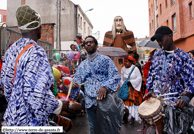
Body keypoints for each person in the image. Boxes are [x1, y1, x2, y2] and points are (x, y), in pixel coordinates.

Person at [0, 5, 69, 127]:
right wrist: (60, 105)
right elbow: (36, 96)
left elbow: (6, 85)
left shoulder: (11, 51)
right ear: (38, 27)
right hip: (30, 123)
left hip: (12, 119)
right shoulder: (36, 52)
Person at [144, 26, 194, 133]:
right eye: (158, 41)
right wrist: (150, 91)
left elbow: (192, 81)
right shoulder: (156, 55)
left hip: (174, 106)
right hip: (156, 106)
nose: (159, 43)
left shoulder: (184, 57)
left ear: (170, 36)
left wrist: (185, 99)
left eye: (161, 40)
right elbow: (151, 76)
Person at [71, 36, 121, 134]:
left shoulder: (106, 60)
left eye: (91, 42)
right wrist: (74, 86)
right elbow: (76, 83)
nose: (88, 44)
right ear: (84, 46)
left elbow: (116, 76)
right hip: (90, 103)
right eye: (86, 43)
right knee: (93, 129)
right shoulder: (82, 65)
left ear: (96, 45)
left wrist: (105, 86)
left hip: (105, 101)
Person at [120, 56, 143, 124]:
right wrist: (123, 84)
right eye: (124, 61)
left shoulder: (135, 69)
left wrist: (131, 82)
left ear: (130, 62)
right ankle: (125, 117)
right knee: (125, 104)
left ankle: (133, 118)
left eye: (126, 61)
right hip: (125, 89)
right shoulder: (122, 69)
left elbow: (139, 78)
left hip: (134, 89)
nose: (125, 63)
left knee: (133, 104)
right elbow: (121, 79)